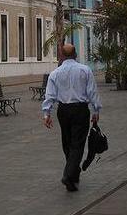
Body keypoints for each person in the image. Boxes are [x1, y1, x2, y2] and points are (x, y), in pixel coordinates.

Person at [42, 43, 101, 192]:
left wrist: (46, 113)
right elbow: (92, 92)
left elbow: (50, 95)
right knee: (78, 143)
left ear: (61, 55)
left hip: (63, 110)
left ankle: (73, 173)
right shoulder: (85, 70)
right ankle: (69, 174)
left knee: (67, 142)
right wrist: (95, 110)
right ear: (75, 55)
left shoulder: (55, 73)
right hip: (80, 109)